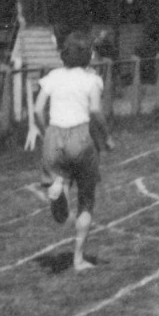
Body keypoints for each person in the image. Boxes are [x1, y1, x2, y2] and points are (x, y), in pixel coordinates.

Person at [33, 31, 114, 271]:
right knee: (87, 201)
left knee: (61, 202)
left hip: (54, 135)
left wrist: (44, 132)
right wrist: (107, 137)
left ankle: (59, 186)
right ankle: (78, 259)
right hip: (81, 136)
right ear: (88, 55)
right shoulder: (92, 80)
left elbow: (38, 110)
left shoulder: (53, 76)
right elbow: (96, 112)